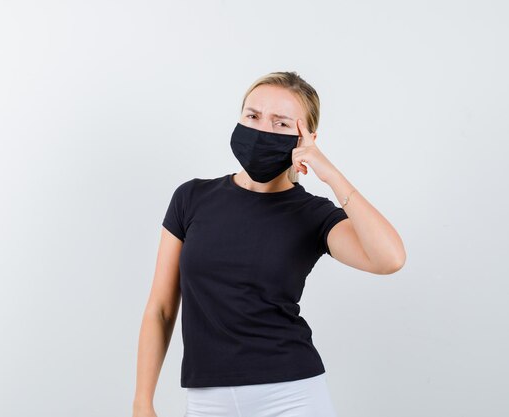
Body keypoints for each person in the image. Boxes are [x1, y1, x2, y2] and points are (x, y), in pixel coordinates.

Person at [132, 71, 406, 417]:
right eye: (253, 116)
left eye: (280, 124)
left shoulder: (313, 214)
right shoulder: (192, 198)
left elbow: (390, 259)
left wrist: (330, 173)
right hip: (206, 399)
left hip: (291, 395)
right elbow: (161, 308)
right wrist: (143, 401)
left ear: (305, 137)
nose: (262, 130)